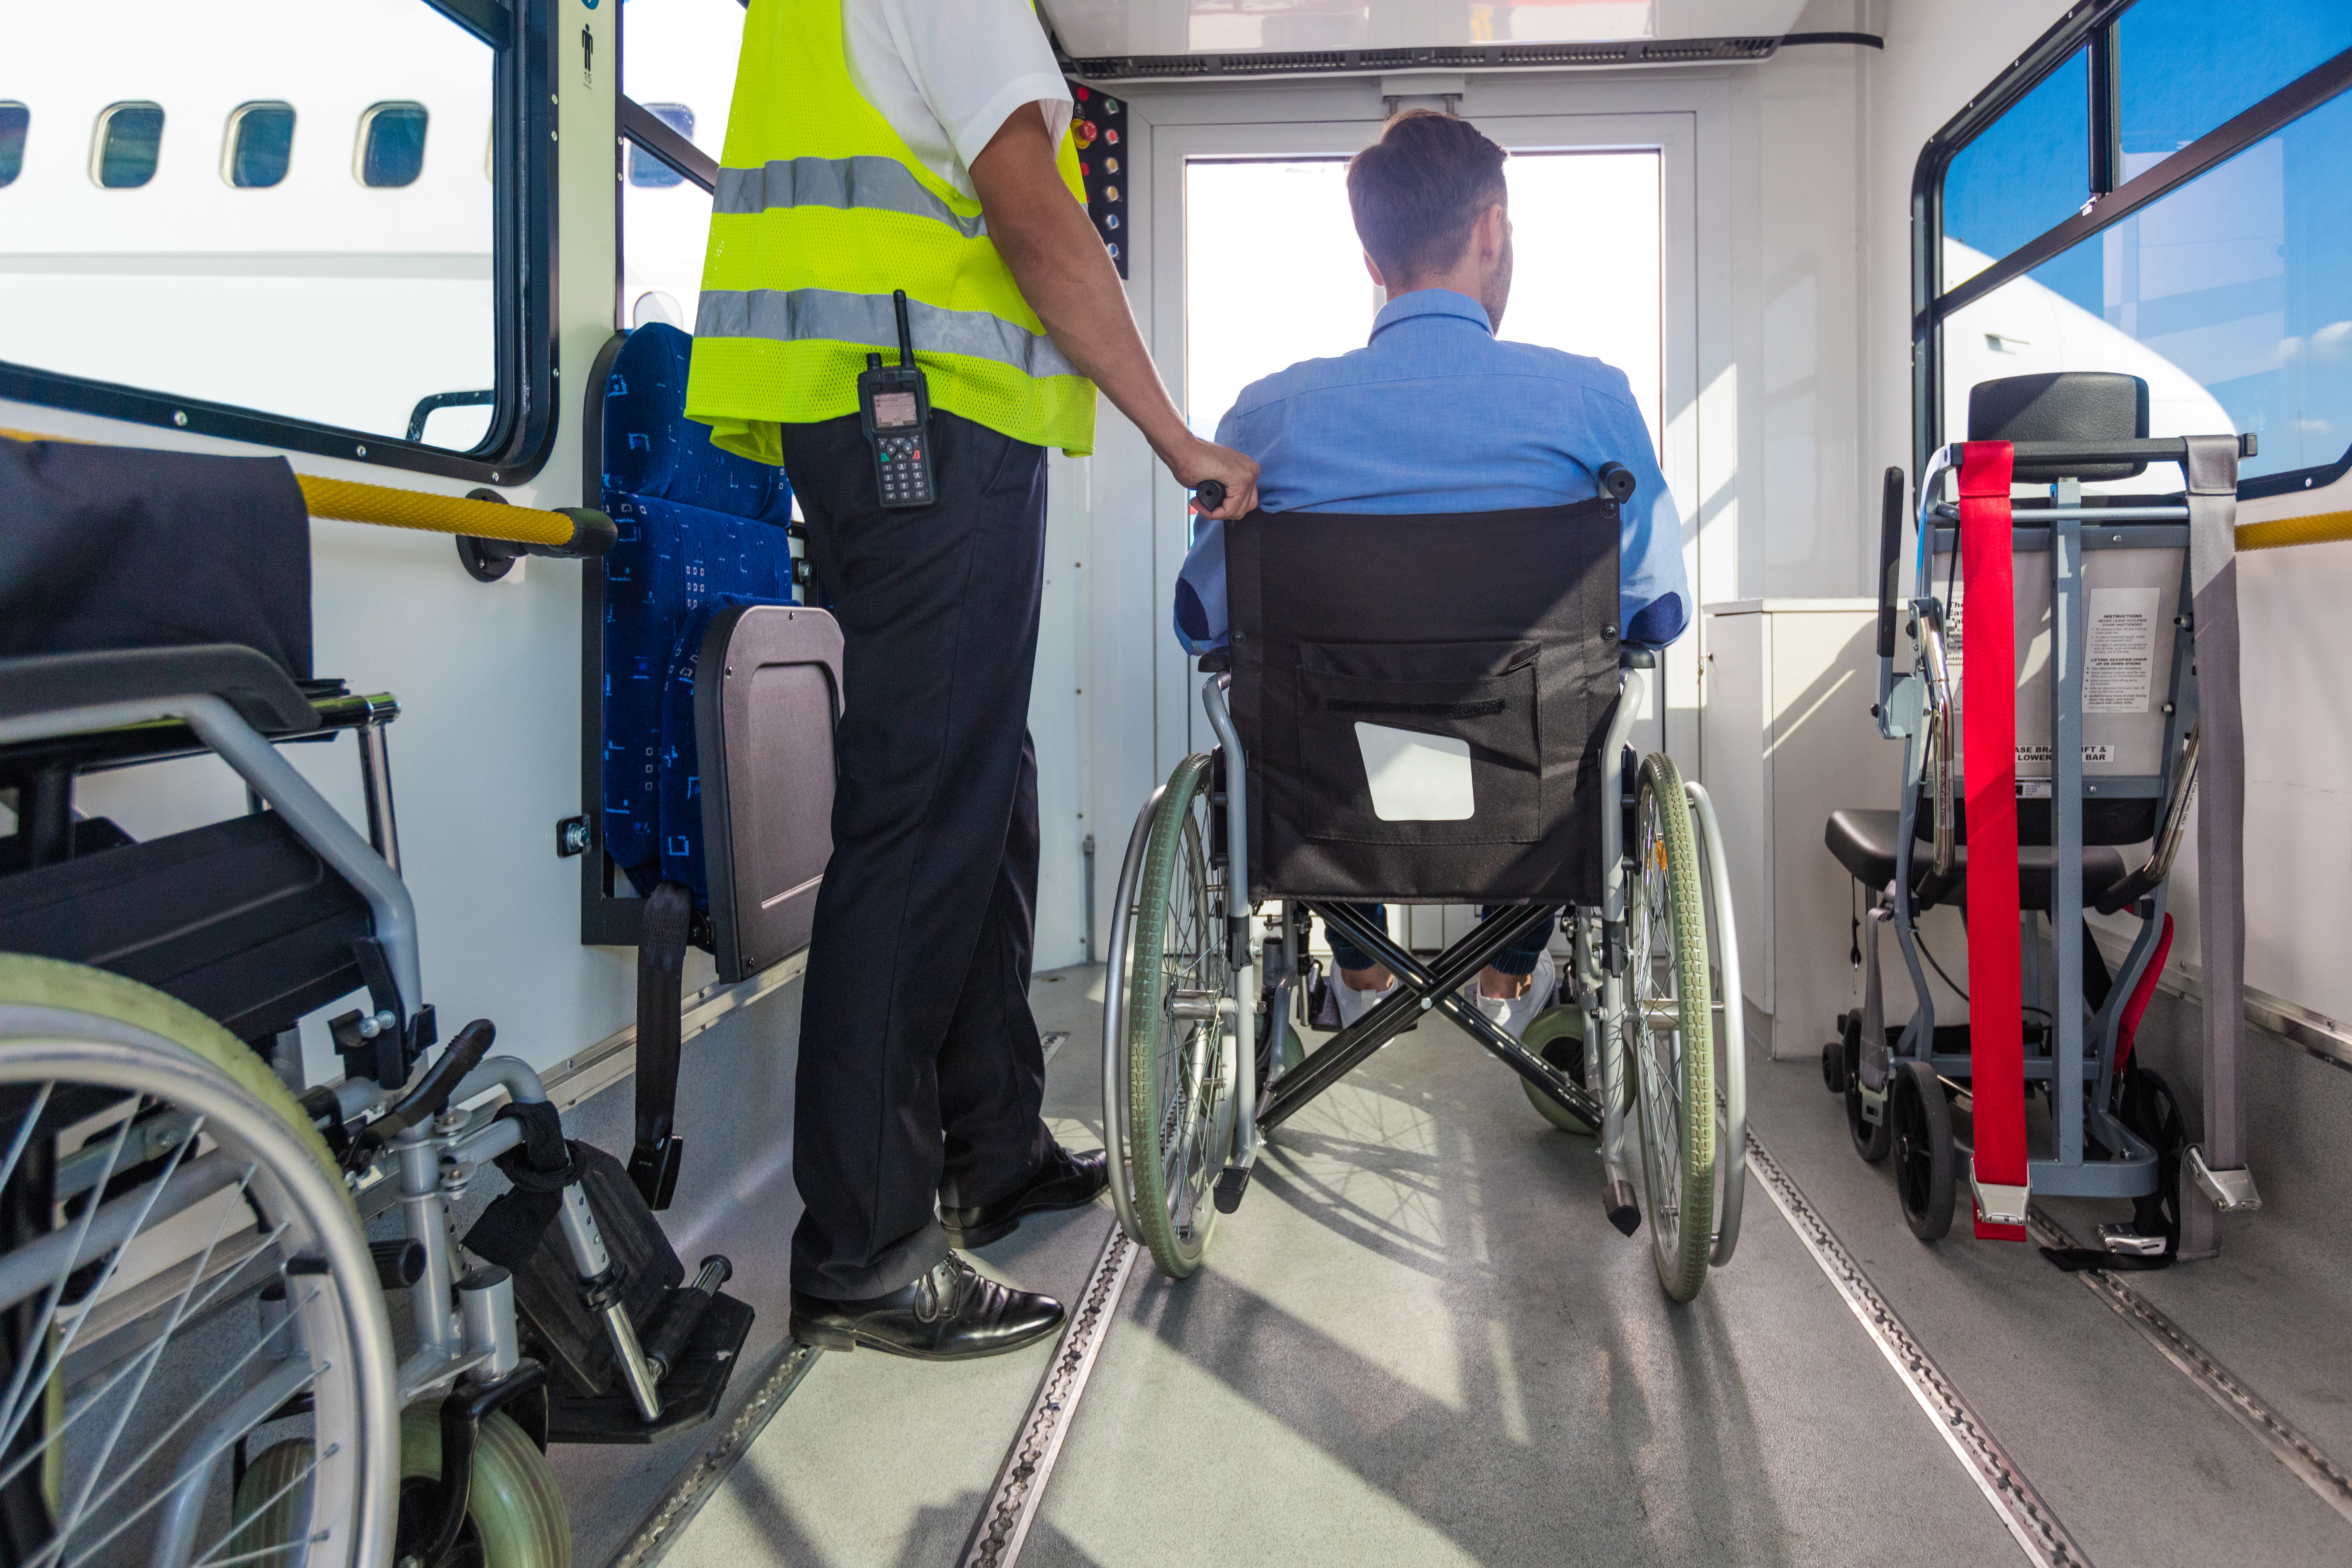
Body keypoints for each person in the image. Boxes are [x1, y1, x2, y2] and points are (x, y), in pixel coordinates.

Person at [686, 0, 1259, 1362]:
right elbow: (1033, 212)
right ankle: (866, 1247)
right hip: (923, 415)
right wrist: (1177, 437)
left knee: (985, 777)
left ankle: (989, 1143)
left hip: (895, 415)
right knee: (925, 809)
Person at [1172, 109, 1691, 1041]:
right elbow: (1653, 612)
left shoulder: (1266, 416)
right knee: (1580, 739)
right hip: (1527, 802)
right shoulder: (1592, 400)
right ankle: (1507, 977)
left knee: (1285, 726)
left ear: (1373, 261)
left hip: (1330, 804)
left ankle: (1364, 974)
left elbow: (1206, 626)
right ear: (1490, 229)